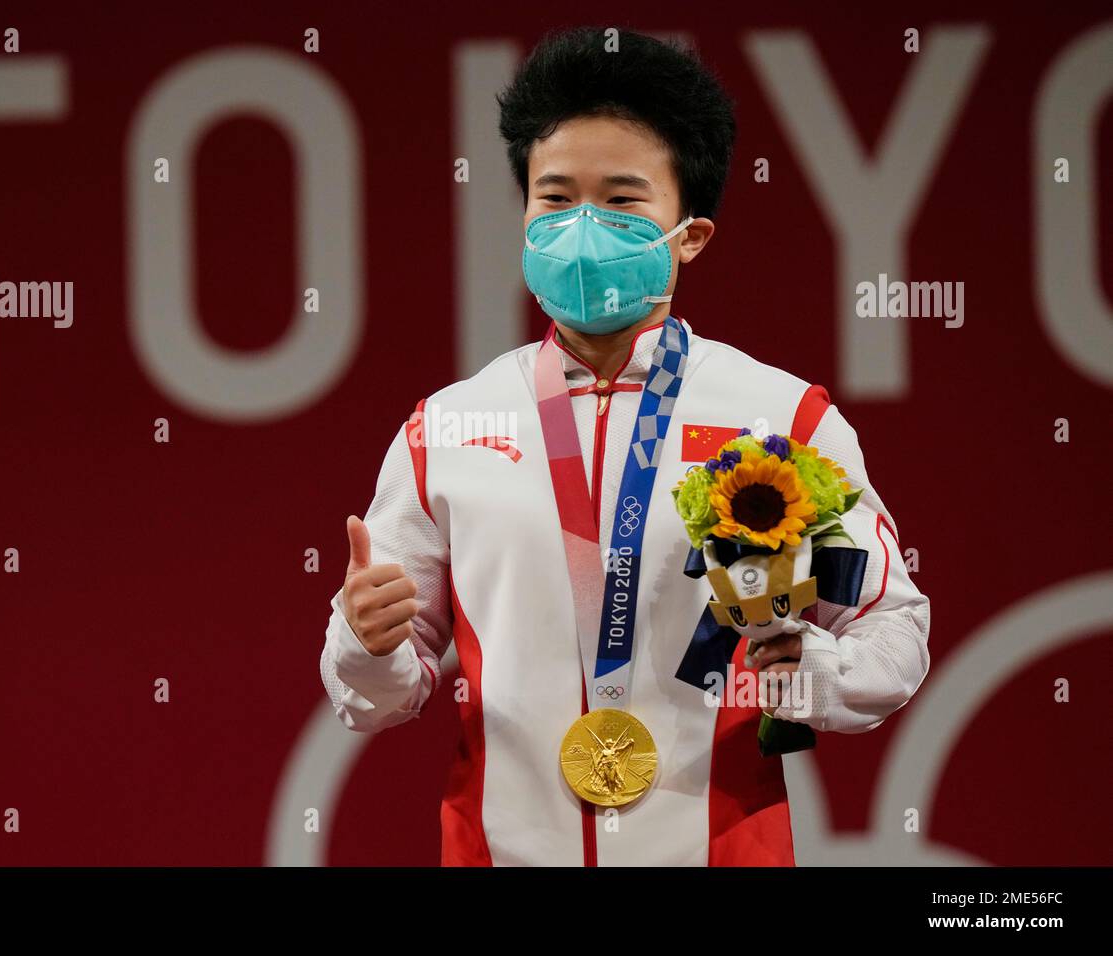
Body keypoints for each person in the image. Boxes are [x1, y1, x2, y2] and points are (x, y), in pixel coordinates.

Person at [319, 26, 930, 866]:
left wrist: (804, 671)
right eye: (555, 197)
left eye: (621, 201)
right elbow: (376, 699)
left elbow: (893, 629)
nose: (581, 227)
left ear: (691, 234)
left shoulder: (784, 418)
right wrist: (368, 641)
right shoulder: (448, 429)